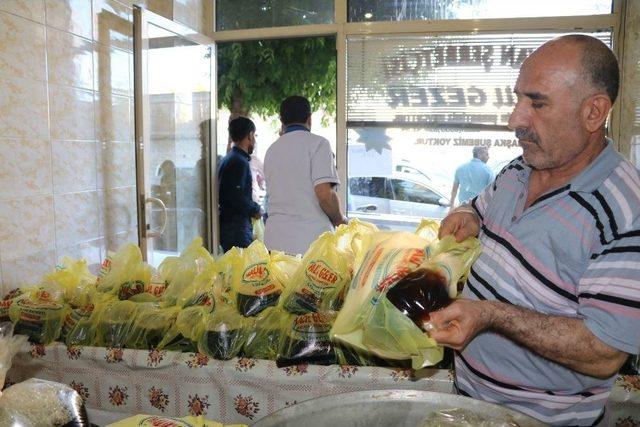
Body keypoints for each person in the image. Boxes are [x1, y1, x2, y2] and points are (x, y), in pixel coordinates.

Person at [429, 34, 639, 426]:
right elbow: (477, 208)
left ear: (594, 112)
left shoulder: (627, 212)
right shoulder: (518, 169)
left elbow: (603, 350)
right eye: (518, 98)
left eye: (537, 103)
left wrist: (490, 315)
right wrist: (467, 217)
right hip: (470, 402)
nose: (514, 119)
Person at [264, 95, 347, 255]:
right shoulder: (318, 144)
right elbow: (324, 194)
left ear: (282, 121)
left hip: (274, 243)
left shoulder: (271, 150)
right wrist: (339, 220)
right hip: (310, 243)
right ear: (309, 119)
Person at [217, 117, 261, 252]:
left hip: (229, 226)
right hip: (237, 229)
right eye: (254, 136)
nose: (255, 140)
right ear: (250, 135)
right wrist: (255, 209)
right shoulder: (239, 162)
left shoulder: (229, 158)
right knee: (241, 269)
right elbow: (237, 197)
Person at [449, 146, 493, 210]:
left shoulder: (460, 168)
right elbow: (491, 192)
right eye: (486, 154)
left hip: (462, 208)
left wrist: (451, 205)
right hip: (479, 210)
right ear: (479, 154)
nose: (488, 157)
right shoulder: (488, 171)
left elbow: (454, 189)